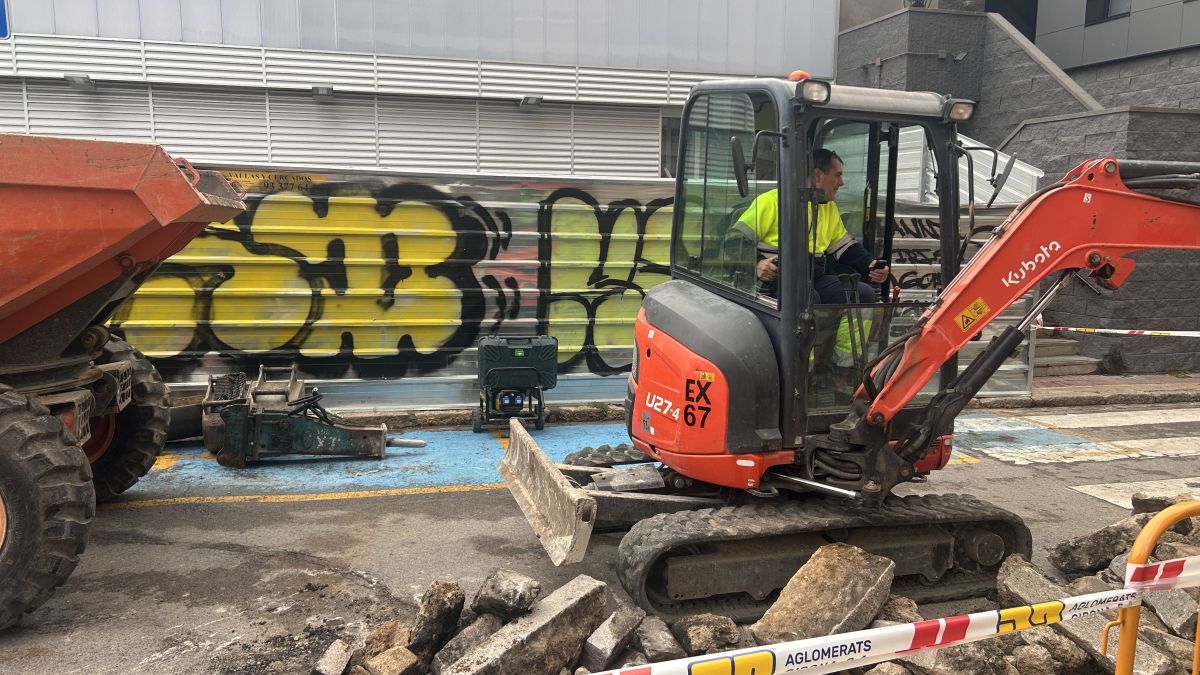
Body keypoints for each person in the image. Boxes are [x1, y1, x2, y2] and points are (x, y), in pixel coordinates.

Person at [732, 148, 889, 369]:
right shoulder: (772, 202)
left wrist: (869, 263)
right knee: (806, 298)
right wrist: (757, 263)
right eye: (837, 175)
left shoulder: (828, 207)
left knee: (862, 294)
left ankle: (844, 368)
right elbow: (733, 241)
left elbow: (844, 246)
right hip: (778, 278)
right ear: (817, 175)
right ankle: (803, 371)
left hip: (814, 275)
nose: (841, 182)